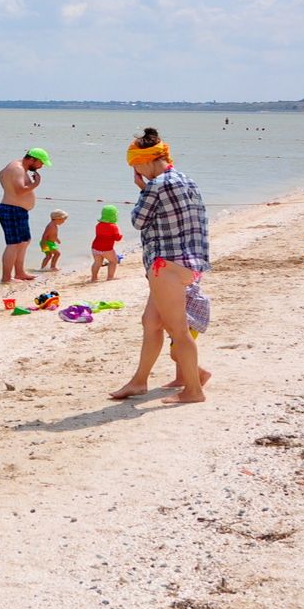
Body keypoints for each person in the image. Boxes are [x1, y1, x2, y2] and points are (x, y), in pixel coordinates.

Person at [110, 128, 211, 405]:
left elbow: (138, 221)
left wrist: (142, 190)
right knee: (151, 322)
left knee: (178, 330)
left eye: (134, 165)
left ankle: (193, 390)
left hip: (165, 263)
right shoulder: (185, 179)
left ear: (145, 160)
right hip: (188, 260)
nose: (135, 170)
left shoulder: (156, 185)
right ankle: (139, 382)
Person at [0, 148, 51, 285]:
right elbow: (19, 190)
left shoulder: (15, 166)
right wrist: (35, 184)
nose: (41, 166)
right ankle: (6, 278)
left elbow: (0, 174)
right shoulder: (18, 168)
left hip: (18, 209)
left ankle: (20, 273)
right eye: (41, 163)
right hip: (11, 209)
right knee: (13, 244)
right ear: (32, 159)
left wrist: (8, 189)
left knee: (25, 241)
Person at [89, 204, 123, 283]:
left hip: (95, 247)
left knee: (97, 262)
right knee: (113, 261)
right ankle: (110, 278)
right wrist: (121, 236)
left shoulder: (98, 225)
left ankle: (94, 278)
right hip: (106, 249)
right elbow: (117, 238)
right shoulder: (113, 226)